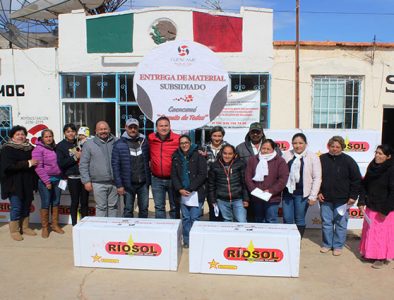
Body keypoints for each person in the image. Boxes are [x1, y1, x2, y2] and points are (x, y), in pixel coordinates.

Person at [318, 136, 362, 256]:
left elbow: (356, 180)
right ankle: (327, 244)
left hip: (343, 200)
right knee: (326, 223)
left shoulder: (349, 161)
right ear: (329, 146)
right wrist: (318, 192)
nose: (335, 149)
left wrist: (353, 196)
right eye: (332, 146)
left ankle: (338, 246)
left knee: (341, 224)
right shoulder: (321, 159)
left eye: (338, 147)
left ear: (342, 147)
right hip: (325, 199)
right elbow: (316, 178)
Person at [358, 144, 394, 269]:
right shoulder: (372, 166)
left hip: (384, 209)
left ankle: (381, 257)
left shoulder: (391, 170)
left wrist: (385, 210)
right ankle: (371, 254)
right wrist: (361, 201)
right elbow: (364, 185)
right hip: (371, 205)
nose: (377, 156)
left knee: (381, 234)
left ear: (388, 157)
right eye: (376, 153)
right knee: (370, 232)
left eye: (381, 154)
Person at [0, 125, 38, 241]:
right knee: (16, 207)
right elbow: (8, 167)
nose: (21, 136)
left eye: (22, 134)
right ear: (12, 137)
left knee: (26, 205)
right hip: (13, 183)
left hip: (27, 182)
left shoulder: (29, 148)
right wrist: (28, 163)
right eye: (18, 134)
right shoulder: (7, 149)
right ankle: (15, 230)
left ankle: (25, 227)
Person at [282, 133, 322, 238]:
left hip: (302, 194)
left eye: (300, 143)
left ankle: (296, 242)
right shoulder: (286, 155)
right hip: (288, 193)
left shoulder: (312, 157)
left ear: (306, 144)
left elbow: (317, 178)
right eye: (295, 143)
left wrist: (313, 196)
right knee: (287, 218)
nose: (297, 145)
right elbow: (280, 173)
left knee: (299, 218)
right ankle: (287, 240)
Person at [171, 135, 207, 247]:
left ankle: (196, 241)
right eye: (182, 143)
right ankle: (187, 241)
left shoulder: (199, 155)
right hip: (182, 193)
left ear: (190, 143)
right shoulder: (176, 156)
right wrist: (180, 189)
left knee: (195, 217)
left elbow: (202, 174)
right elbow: (174, 175)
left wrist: (190, 188)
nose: (184, 145)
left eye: (186, 142)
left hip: (196, 192)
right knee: (186, 218)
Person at [112, 118, 151, 218]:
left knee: (144, 209)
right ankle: (128, 232)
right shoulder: (118, 144)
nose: (133, 130)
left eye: (135, 127)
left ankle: (141, 232)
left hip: (143, 183)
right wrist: (119, 185)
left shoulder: (144, 142)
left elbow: (149, 160)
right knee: (128, 210)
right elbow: (115, 166)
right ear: (126, 128)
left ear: (138, 128)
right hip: (128, 184)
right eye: (130, 127)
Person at [80, 121, 118, 217]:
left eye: (105, 129)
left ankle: (111, 229)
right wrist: (86, 181)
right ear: (96, 131)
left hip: (114, 182)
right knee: (101, 207)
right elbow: (83, 164)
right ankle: (101, 229)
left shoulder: (117, 141)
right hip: (98, 182)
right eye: (100, 129)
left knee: (113, 207)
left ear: (109, 130)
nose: (103, 131)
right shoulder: (89, 144)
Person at [245, 139, 289, 223]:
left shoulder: (280, 161)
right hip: (257, 196)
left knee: (271, 220)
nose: (265, 151)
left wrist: (270, 191)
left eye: (268, 149)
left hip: (272, 198)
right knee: (258, 220)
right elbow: (248, 177)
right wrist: (254, 190)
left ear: (273, 149)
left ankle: (272, 236)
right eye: (263, 148)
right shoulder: (253, 160)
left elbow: (283, 179)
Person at [32, 129, 64, 238]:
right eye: (46, 137)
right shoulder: (38, 149)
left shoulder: (55, 148)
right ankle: (45, 227)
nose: (49, 138)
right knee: (46, 202)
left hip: (58, 180)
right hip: (46, 181)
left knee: (56, 202)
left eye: (50, 136)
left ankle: (54, 225)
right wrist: (46, 181)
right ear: (42, 138)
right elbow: (38, 168)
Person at [56, 123, 89, 226]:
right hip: (72, 177)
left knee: (84, 202)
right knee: (75, 201)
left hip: (84, 176)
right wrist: (75, 157)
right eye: (68, 132)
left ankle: (85, 223)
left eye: (73, 131)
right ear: (64, 133)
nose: (71, 133)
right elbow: (61, 163)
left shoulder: (80, 142)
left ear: (76, 132)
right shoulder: (61, 145)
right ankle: (75, 224)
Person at [149, 116, 180, 219]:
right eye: (161, 126)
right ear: (156, 127)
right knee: (159, 207)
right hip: (156, 179)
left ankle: (175, 231)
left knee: (175, 206)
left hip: (173, 179)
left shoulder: (177, 139)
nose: (164, 128)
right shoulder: (151, 138)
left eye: (166, 125)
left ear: (170, 126)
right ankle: (161, 231)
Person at [208, 144, 249, 222]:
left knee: (242, 221)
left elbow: (244, 183)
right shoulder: (215, 165)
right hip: (222, 200)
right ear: (221, 153)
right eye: (225, 153)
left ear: (234, 154)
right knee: (227, 221)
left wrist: (246, 199)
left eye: (230, 154)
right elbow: (211, 185)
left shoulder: (240, 164)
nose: (227, 156)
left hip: (238, 199)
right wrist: (213, 200)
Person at [201, 126, 227, 221]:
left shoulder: (227, 147)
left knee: (223, 207)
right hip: (208, 182)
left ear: (222, 136)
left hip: (223, 182)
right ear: (211, 136)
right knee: (212, 206)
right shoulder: (204, 147)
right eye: (214, 136)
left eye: (219, 136)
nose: (217, 138)